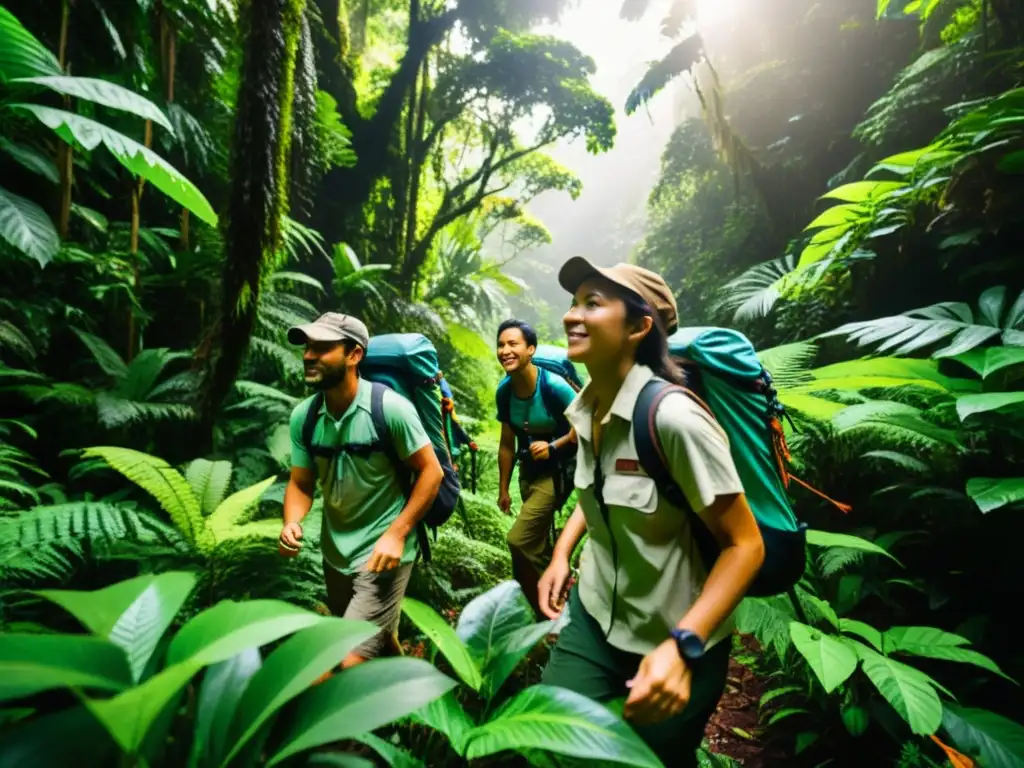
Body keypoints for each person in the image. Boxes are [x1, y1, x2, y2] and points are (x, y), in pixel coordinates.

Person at [537, 259, 765, 766]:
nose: (573, 315)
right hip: (595, 616)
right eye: (575, 302)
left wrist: (683, 645)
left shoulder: (674, 420)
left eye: (593, 303)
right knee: (549, 742)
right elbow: (598, 492)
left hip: (676, 636)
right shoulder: (587, 406)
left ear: (639, 327)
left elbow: (745, 545)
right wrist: (561, 552)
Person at [280, 312, 443, 669]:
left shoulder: (390, 409)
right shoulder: (304, 418)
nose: (309, 355)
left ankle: (352, 723)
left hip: (383, 554)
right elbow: (301, 483)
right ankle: (412, 709)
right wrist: (292, 521)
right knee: (375, 639)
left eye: (322, 348)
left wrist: (397, 534)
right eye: (308, 347)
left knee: (346, 658)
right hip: (335, 553)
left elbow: (431, 472)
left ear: (354, 355)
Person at [495, 319, 577, 617]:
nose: (505, 350)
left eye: (513, 344)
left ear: (530, 349)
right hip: (528, 473)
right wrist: (503, 488)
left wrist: (553, 446)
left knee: (518, 539)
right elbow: (506, 443)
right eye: (501, 344)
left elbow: (585, 426)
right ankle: (537, 611)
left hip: (557, 473)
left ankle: (558, 604)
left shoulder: (553, 387)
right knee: (528, 550)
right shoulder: (505, 392)